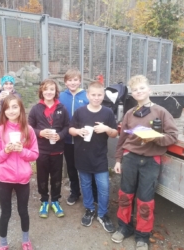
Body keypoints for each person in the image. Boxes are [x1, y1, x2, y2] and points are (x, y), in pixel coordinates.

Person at [111, 75, 178, 250]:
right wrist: (118, 159)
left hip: (151, 161)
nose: (139, 92)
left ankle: (142, 236)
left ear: (149, 90)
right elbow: (122, 139)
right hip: (130, 158)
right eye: (135, 90)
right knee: (125, 195)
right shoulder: (129, 113)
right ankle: (124, 228)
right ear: (132, 94)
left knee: (145, 200)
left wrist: (155, 138)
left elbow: (172, 136)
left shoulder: (161, 112)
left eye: (142, 88)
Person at [0, 95, 39, 250]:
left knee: (23, 211)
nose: (11, 111)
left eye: (15, 107)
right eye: (7, 108)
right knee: (6, 213)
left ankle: (25, 241)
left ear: (21, 109)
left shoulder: (28, 130)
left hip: (23, 179)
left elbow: (35, 154)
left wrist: (22, 151)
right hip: (5, 179)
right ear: (3, 111)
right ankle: (3, 242)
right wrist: (6, 150)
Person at [69, 81, 118, 232]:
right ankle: (89, 209)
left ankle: (102, 214)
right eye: (93, 95)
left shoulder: (108, 113)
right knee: (86, 184)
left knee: (103, 187)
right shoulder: (80, 112)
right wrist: (78, 132)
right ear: (88, 95)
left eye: (99, 95)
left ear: (103, 96)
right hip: (82, 155)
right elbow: (70, 129)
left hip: (100, 157)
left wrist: (106, 128)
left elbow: (115, 133)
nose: (96, 98)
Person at [28, 79, 69, 218]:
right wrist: (40, 133)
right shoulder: (35, 109)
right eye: (46, 89)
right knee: (42, 176)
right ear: (42, 91)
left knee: (57, 176)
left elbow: (67, 127)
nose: (49, 92)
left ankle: (55, 201)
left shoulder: (62, 108)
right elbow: (28, 128)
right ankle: (44, 200)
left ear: (56, 92)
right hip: (42, 150)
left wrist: (61, 135)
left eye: (52, 89)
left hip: (57, 149)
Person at [59, 69, 98, 206]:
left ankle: (94, 193)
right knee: (71, 167)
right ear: (65, 82)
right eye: (69, 80)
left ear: (80, 81)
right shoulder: (61, 96)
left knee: (88, 165)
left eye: (75, 80)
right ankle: (75, 192)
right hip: (68, 139)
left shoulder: (86, 96)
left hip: (85, 138)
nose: (73, 82)